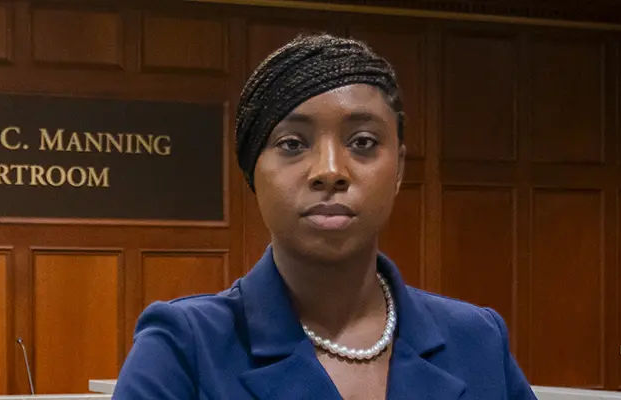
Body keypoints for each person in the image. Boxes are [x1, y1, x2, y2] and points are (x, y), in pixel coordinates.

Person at [112, 34, 538, 400]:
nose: (330, 171)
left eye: (364, 141)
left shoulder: (478, 340)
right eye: (293, 144)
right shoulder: (183, 348)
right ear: (252, 172)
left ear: (400, 169)